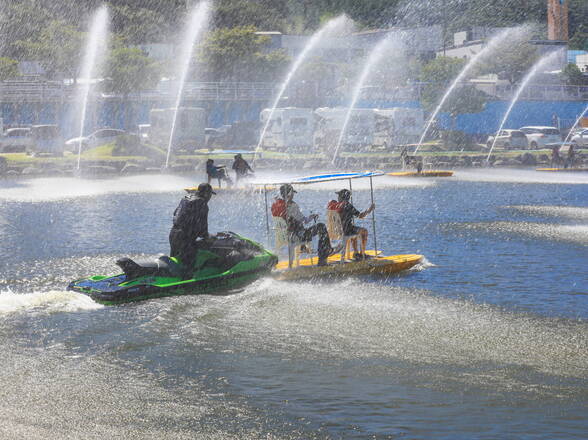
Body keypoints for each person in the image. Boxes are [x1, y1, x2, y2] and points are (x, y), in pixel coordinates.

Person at [280, 184, 338, 266]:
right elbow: (304, 221)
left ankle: (322, 252)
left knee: (317, 228)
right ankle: (323, 256)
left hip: (288, 236)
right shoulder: (293, 205)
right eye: (292, 193)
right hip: (298, 236)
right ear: (289, 194)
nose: (293, 195)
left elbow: (293, 221)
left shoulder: (281, 206)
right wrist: (312, 217)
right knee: (321, 227)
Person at [169, 183, 215, 278]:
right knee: (189, 264)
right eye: (210, 194)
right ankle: (187, 286)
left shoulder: (186, 198)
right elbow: (203, 230)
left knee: (174, 262)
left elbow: (175, 214)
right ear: (206, 194)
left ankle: (170, 279)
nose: (210, 197)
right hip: (185, 238)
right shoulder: (202, 203)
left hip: (173, 233)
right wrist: (209, 237)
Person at [334, 189, 375, 260]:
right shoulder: (348, 205)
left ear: (342, 197)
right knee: (364, 231)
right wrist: (369, 210)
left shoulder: (336, 205)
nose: (338, 197)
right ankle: (362, 254)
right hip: (346, 230)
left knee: (354, 230)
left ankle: (356, 253)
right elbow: (360, 215)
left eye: (339, 196)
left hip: (337, 230)